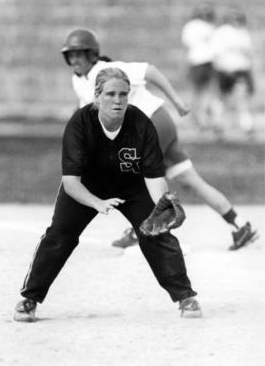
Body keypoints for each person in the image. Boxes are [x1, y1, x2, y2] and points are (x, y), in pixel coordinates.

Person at [13, 67, 202, 322]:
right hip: (86, 187)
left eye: (124, 94)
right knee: (60, 235)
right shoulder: (80, 124)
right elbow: (70, 182)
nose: (118, 100)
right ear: (97, 96)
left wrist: (162, 205)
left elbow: (154, 176)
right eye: (111, 94)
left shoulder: (141, 124)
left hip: (131, 186)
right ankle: (30, 298)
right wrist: (97, 203)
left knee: (156, 232)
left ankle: (185, 298)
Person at [61, 28, 258, 251]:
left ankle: (150, 232)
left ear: (92, 54)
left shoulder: (107, 70)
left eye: (80, 54)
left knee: (130, 173)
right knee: (190, 180)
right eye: (71, 55)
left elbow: (150, 71)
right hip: (159, 123)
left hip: (153, 123)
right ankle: (240, 225)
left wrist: (177, 101)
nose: (75, 59)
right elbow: (88, 113)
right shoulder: (79, 80)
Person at [210, 9, 255, 135]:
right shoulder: (237, 33)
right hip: (232, 70)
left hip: (231, 70)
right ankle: (223, 124)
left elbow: (215, 54)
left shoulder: (231, 33)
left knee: (233, 99)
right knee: (230, 99)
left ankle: (241, 125)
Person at [181, 3, 220, 131]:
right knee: (206, 92)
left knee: (196, 92)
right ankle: (202, 119)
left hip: (196, 62)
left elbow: (186, 44)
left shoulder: (191, 26)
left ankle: (197, 119)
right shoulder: (210, 27)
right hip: (208, 62)